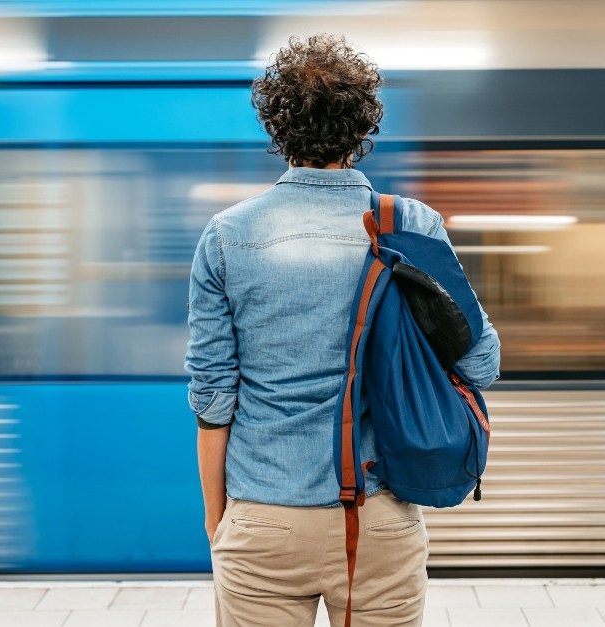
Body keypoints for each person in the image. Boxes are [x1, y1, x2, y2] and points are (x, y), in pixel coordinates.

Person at [186, 34, 500, 627]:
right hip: (379, 518)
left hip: (262, 517)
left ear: (277, 128)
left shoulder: (227, 235)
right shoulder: (410, 224)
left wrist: (218, 519)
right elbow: (480, 364)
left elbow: (211, 396)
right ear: (363, 128)